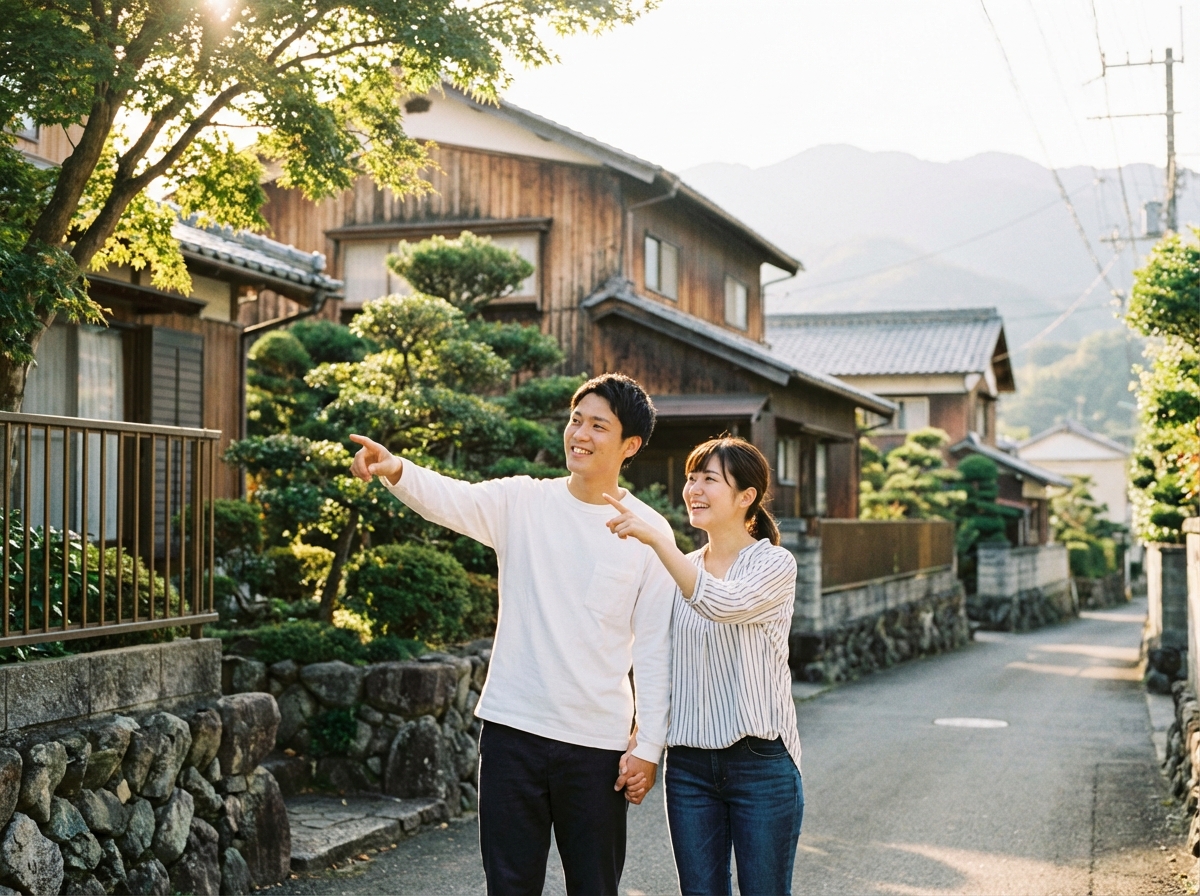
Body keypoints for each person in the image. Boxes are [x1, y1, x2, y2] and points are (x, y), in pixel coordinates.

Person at [348, 373, 675, 896]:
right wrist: (397, 469)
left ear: (629, 445)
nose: (579, 434)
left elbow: (658, 646)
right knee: (509, 885)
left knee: (594, 886)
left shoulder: (649, 529)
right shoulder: (523, 502)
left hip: (596, 745)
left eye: (598, 425)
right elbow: (450, 497)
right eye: (575, 420)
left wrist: (649, 744)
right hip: (512, 732)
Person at [603, 436, 803, 896]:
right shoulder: (679, 569)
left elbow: (722, 604)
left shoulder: (774, 564)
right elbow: (660, 661)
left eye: (709, 479)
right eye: (691, 477)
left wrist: (658, 539)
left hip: (762, 764)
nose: (693, 488)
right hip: (689, 767)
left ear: (746, 497)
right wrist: (644, 738)